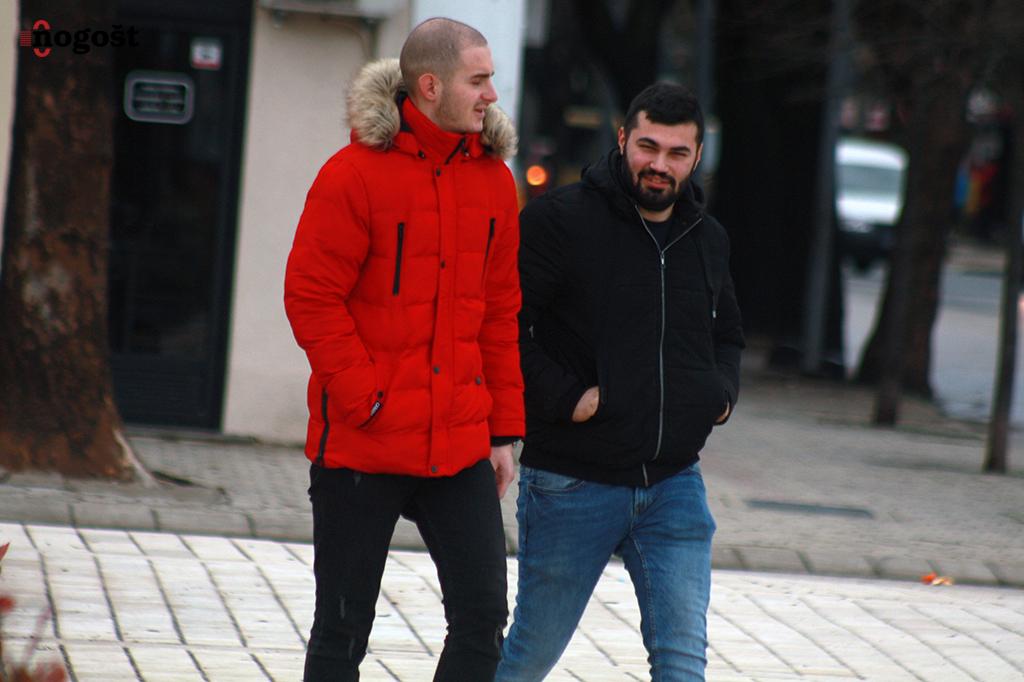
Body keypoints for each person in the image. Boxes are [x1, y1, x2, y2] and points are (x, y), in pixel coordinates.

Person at [284, 17, 524, 681]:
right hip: (364, 441)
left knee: (483, 621)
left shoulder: (494, 182)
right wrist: (366, 399)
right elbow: (311, 298)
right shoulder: (352, 175)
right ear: (430, 86)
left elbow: (500, 312)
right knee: (341, 630)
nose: (491, 95)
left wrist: (502, 432)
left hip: (460, 441)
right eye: (478, 80)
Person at [497, 83, 745, 681]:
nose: (660, 165)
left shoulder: (707, 238)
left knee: (683, 663)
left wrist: (719, 397)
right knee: (530, 656)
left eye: (677, 153)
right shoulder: (561, 220)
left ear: (697, 156)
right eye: (648, 147)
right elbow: (504, 327)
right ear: (623, 139)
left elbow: (728, 335)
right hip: (572, 482)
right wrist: (567, 398)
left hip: (674, 485)